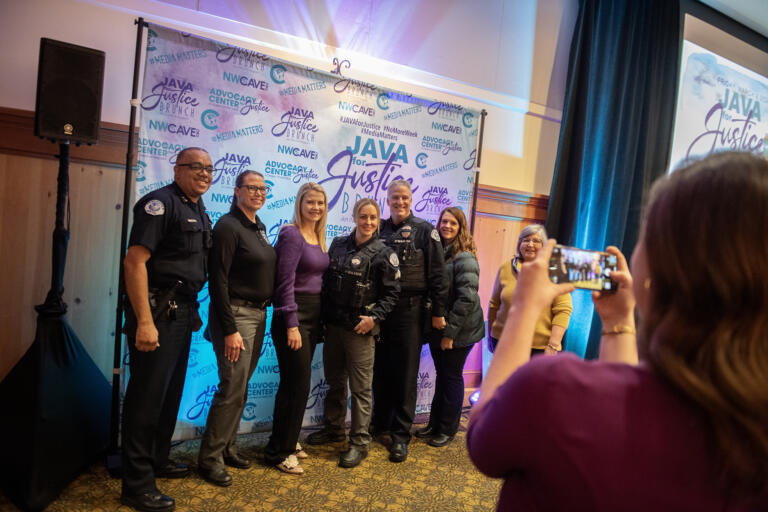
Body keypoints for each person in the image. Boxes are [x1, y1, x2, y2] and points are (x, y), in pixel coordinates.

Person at [467, 151, 768, 510]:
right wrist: (617, 325)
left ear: (659, 265)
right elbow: (628, 404)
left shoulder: (553, 387)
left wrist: (523, 310)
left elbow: (484, 438)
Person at [121, 147, 213, 512]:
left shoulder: (196, 207)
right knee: (145, 401)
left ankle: (156, 459)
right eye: (196, 167)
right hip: (157, 311)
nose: (204, 173)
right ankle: (136, 485)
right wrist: (144, 320)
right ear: (177, 170)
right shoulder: (159, 203)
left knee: (169, 395)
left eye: (209, 168)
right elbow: (135, 262)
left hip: (181, 310)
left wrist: (191, 310)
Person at [307, 198, 400, 468]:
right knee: (335, 381)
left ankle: (359, 442)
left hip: (360, 329)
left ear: (378, 219)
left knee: (360, 390)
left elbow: (392, 293)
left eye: (373, 218)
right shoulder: (338, 245)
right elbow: (325, 284)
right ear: (354, 217)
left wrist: (374, 318)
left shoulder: (385, 253)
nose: (368, 222)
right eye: (363, 216)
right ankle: (334, 428)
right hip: (334, 326)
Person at [197, 171, 276, 487]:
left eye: (263, 188)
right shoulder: (228, 227)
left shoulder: (258, 227)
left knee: (240, 387)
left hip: (258, 315)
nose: (258, 193)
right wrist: (229, 329)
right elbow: (218, 281)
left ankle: (228, 447)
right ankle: (210, 458)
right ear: (237, 190)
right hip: (237, 316)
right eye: (252, 188)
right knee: (231, 388)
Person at [371, 179, 448, 463]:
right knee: (380, 372)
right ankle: (380, 425)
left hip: (410, 312)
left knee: (405, 376)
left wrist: (438, 312)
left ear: (411, 199)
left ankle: (401, 436)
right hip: (380, 312)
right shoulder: (376, 228)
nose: (400, 202)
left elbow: (439, 276)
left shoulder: (426, 231)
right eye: (394, 198)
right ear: (387, 199)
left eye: (404, 197)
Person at [264, 183, 329, 475]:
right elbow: (283, 282)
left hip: (314, 317)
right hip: (294, 316)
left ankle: (288, 440)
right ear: (300, 203)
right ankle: (279, 451)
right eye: (311, 202)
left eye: (321, 203)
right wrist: (290, 323)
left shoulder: (317, 235)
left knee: (296, 384)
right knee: (297, 384)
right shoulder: (291, 233)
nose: (316, 207)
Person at [416, 207, 484, 448]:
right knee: (442, 377)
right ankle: (434, 424)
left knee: (451, 378)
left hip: (459, 331)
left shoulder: (465, 257)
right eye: (443, 221)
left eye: (453, 223)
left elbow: (466, 300)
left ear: (461, 227)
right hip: (440, 327)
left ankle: (448, 429)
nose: (447, 226)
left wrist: (449, 335)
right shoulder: (440, 252)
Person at [487, 224, 572, 356]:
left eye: (536, 241)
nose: (530, 244)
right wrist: (490, 336)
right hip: (503, 341)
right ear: (519, 244)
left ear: (544, 245)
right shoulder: (505, 268)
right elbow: (494, 304)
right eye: (525, 240)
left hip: (540, 348)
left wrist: (553, 345)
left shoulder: (555, 271)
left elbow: (563, 310)